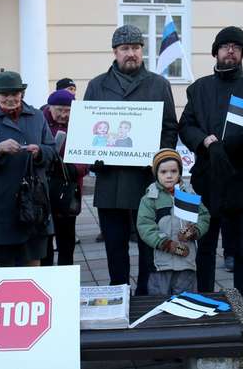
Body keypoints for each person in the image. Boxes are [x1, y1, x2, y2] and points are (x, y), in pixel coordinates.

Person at [178, 26, 243, 303]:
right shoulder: (199, 88)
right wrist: (205, 142)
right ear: (216, 51)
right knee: (206, 248)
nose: (230, 50)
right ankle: (205, 299)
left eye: (236, 46)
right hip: (207, 182)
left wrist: (238, 142)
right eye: (225, 46)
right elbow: (186, 126)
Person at [84, 24, 178, 295]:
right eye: (125, 48)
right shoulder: (97, 85)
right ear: (115, 52)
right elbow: (87, 131)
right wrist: (93, 158)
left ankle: (146, 294)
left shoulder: (158, 84)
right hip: (110, 180)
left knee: (149, 242)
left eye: (136, 48)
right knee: (114, 243)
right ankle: (118, 291)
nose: (131, 53)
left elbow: (170, 127)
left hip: (146, 181)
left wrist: (160, 161)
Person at [0, 71, 58, 267]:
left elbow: (53, 152)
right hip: (2, 203)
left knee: (33, 263)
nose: (11, 98)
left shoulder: (37, 116)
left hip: (34, 201)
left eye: (15, 93)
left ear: (22, 94)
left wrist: (40, 152)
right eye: (5, 94)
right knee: (3, 267)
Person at [137, 148, 209, 295]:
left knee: (186, 300)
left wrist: (194, 231)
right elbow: (145, 227)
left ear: (180, 172)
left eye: (174, 171)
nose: (169, 176)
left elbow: (203, 216)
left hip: (186, 262)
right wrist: (166, 244)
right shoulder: (150, 198)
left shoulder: (188, 193)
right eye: (163, 172)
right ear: (156, 173)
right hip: (160, 265)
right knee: (159, 301)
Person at [40, 89, 88, 266]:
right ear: (50, 107)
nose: (63, 114)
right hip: (43, 188)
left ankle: (65, 274)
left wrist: (77, 169)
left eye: (68, 110)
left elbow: (87, 153)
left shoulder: (81, 124)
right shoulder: (39, 121)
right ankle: (46, 276)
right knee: (44, 238)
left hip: (68, 189)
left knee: (66, 238)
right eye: (59, 110)